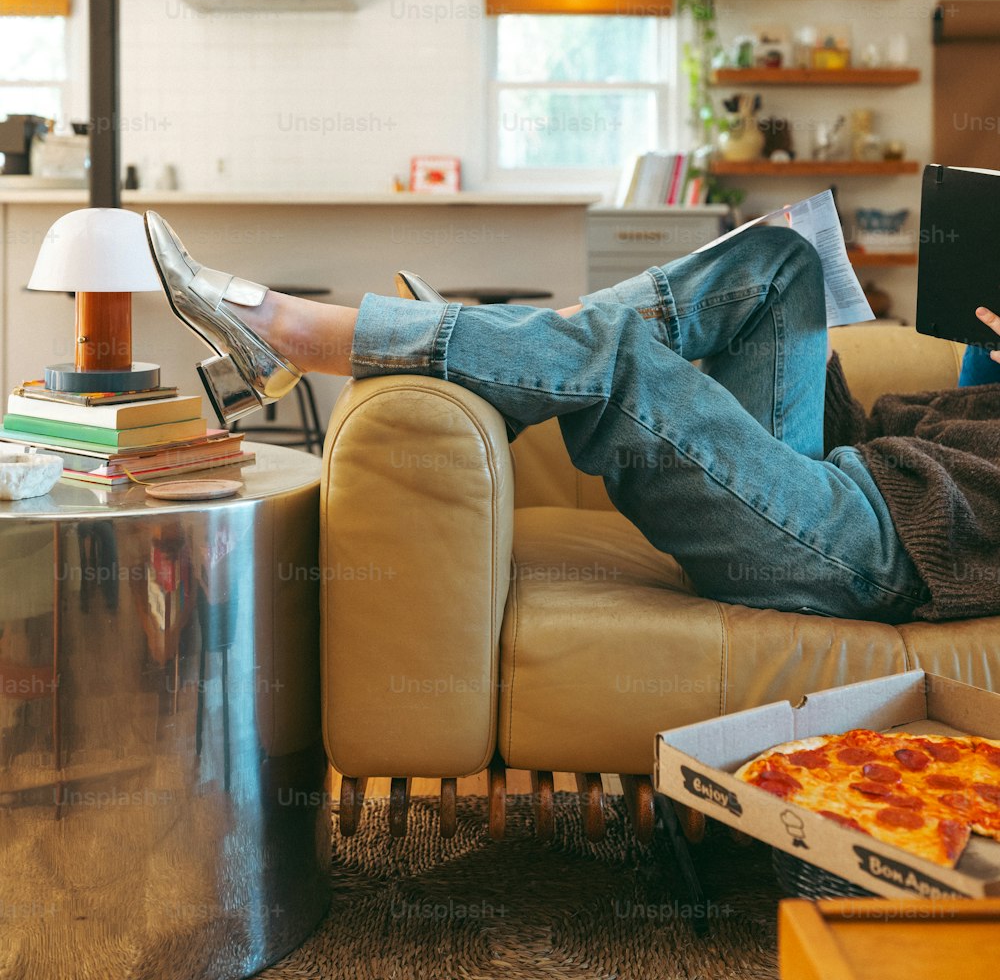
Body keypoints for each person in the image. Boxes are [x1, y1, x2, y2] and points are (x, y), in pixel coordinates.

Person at [143, 211, 1000, 628]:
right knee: (777, 262)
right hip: (855, 476)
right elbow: (964, 413)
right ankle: (512, 350)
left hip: (877, 552)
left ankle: (299, 332)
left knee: (616, 359)